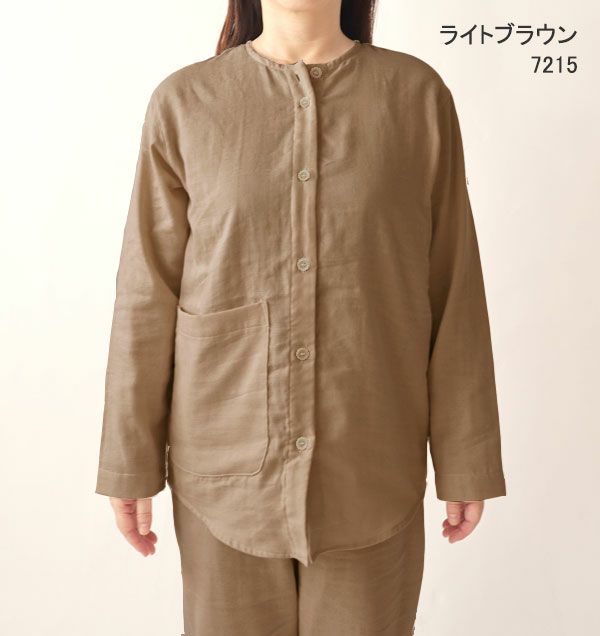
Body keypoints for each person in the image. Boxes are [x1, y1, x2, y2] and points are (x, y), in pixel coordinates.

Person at [94, 1, 507, 634]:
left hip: (372, 463)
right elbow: (146, 293)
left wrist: (466, 457)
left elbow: (453, 287)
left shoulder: (416, 97)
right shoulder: (185, 103)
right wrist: (130, 459)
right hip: (222, 468)